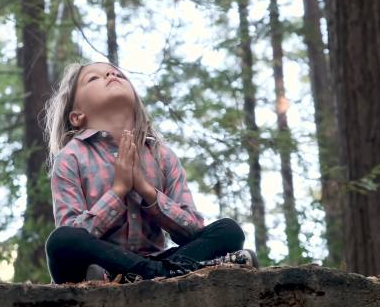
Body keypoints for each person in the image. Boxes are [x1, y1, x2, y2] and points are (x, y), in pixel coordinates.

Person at [43, 61, 258, 284]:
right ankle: (173, 272)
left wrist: (148, 192)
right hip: (101, 265)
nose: (110, 74)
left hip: (160, 259)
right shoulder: (71, 157)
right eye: (94, 78)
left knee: (229, 231)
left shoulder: (162, 156)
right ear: (77, 116)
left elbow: (193, 229)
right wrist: (118, 191)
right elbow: (74, 232)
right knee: (61, 241)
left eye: (117, 73)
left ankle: (153, 272)